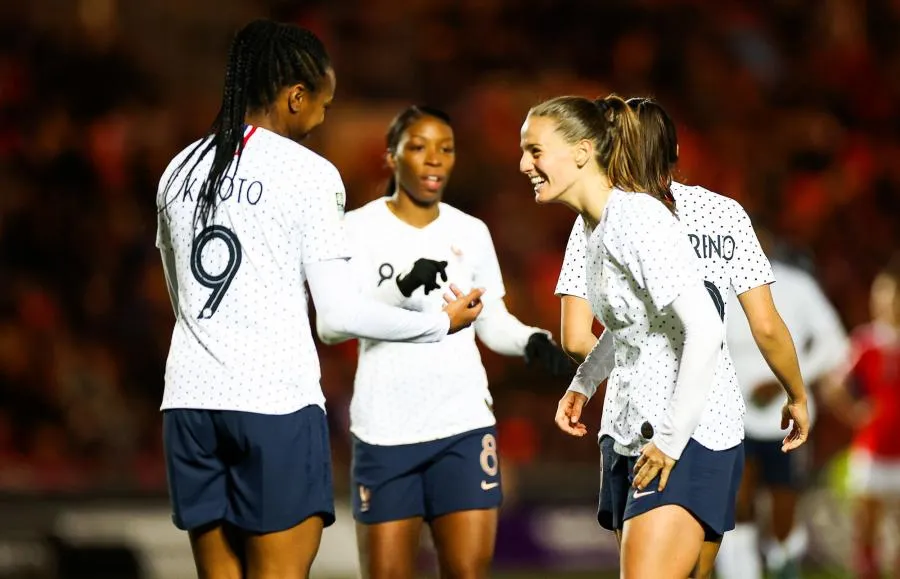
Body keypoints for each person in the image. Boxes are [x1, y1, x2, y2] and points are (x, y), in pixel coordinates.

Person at [155, 21, 484, 579]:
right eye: (323, 104)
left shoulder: (178, 169)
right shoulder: (308, 174)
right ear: (295, 97)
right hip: (272, 404)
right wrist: (437, 322)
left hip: (188, 402)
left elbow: (179, 297)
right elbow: (337, 313)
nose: (323, 118)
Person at [519, 94, 807, 578]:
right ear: (673, 154)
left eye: (535, 150)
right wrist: (585, 381)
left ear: (597, 150)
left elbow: (580, 335)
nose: (524, 163)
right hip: (654, 423)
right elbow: (758, 324)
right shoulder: (619, 219)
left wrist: (671, 434)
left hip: (679, 425)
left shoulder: (635, 218)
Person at [317, 105, 572, 579]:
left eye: (446, 149)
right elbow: (332, 325)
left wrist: (533, 341)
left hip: (463, 426)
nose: (434, 159)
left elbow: (491, 320)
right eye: (419, 147)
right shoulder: (355, 229)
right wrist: (432, 322)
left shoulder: (471, 232)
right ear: (391, 158)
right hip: (384, 430)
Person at [718, 233, 848, 579]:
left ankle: (783, 565)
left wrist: (784, 382)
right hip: (732, 413)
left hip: (788, 414)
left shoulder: (797, 286)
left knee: (784, 507)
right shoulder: (718, 287)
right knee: (735, 501)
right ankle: (739, 572)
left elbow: (835, 343)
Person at [823, 253, 900, 579]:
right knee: (866, 535)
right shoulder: (866, 341)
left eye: (892, 297)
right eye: (881, 297)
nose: (886, 304)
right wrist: (855, 412)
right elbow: (832, 385)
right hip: (871, 448)